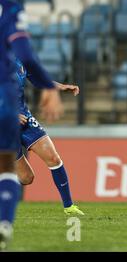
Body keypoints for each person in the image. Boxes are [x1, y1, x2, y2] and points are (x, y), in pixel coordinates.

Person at [0, 0, 64, 250]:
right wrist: (49, 87)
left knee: (25, 176)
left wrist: (50, 85)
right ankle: (5, 223)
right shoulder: (11, 9)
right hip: (5, 102)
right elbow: (26, 54)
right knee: (8, 171)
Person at [14, 58, 84, 216]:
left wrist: (61, 87)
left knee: (53, 158)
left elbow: (39, 80)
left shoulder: (20, 59)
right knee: (26, 177)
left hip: (24, 119)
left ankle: (69, 206)